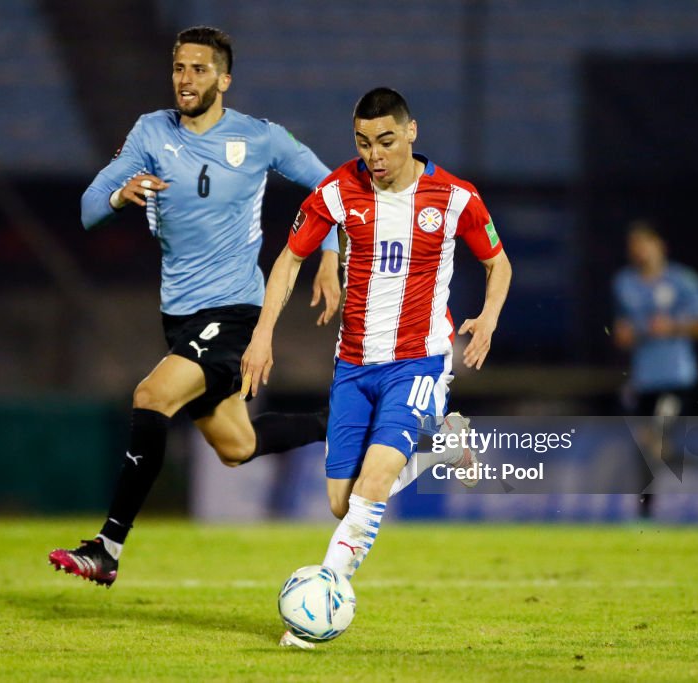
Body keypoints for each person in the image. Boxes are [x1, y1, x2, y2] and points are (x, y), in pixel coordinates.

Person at [49, 26, 343, 586]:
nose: (186, 79)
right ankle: (351, 422)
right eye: (180, 68)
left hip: (234, 312)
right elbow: (89, 208)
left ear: (224, 79)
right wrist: (120, 194)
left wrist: (329, 254)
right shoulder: (150, 132)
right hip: (180, 317)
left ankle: (107, 547)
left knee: (151, 396)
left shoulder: (260, 138)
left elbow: (329, 187)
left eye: (199, 69)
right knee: (238, 446)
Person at [240, 87, 513, 648]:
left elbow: (498, 262)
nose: (375, 155)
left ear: (412, 132)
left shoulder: (456, 197)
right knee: (345, 504)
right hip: (354, 366)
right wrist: (262, 334)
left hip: (420, 362)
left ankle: (321, 601)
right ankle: (443, 444)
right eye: (363, 143)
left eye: (386, 141)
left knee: (376, 479)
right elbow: (290, 258)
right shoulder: (338, 192)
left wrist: (487, 317)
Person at [612, 219, 698, 517]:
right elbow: (623, 330)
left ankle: (647, 512)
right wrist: (624, 335)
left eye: (644, 244)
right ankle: (647, 513)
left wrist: (673, 327)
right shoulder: (625, 283)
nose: (639, 252)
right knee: (647, 447)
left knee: (654, 441)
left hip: (676, 377)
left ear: (660, 246)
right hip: (643, 379)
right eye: (634, 247)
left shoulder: (683, 281)